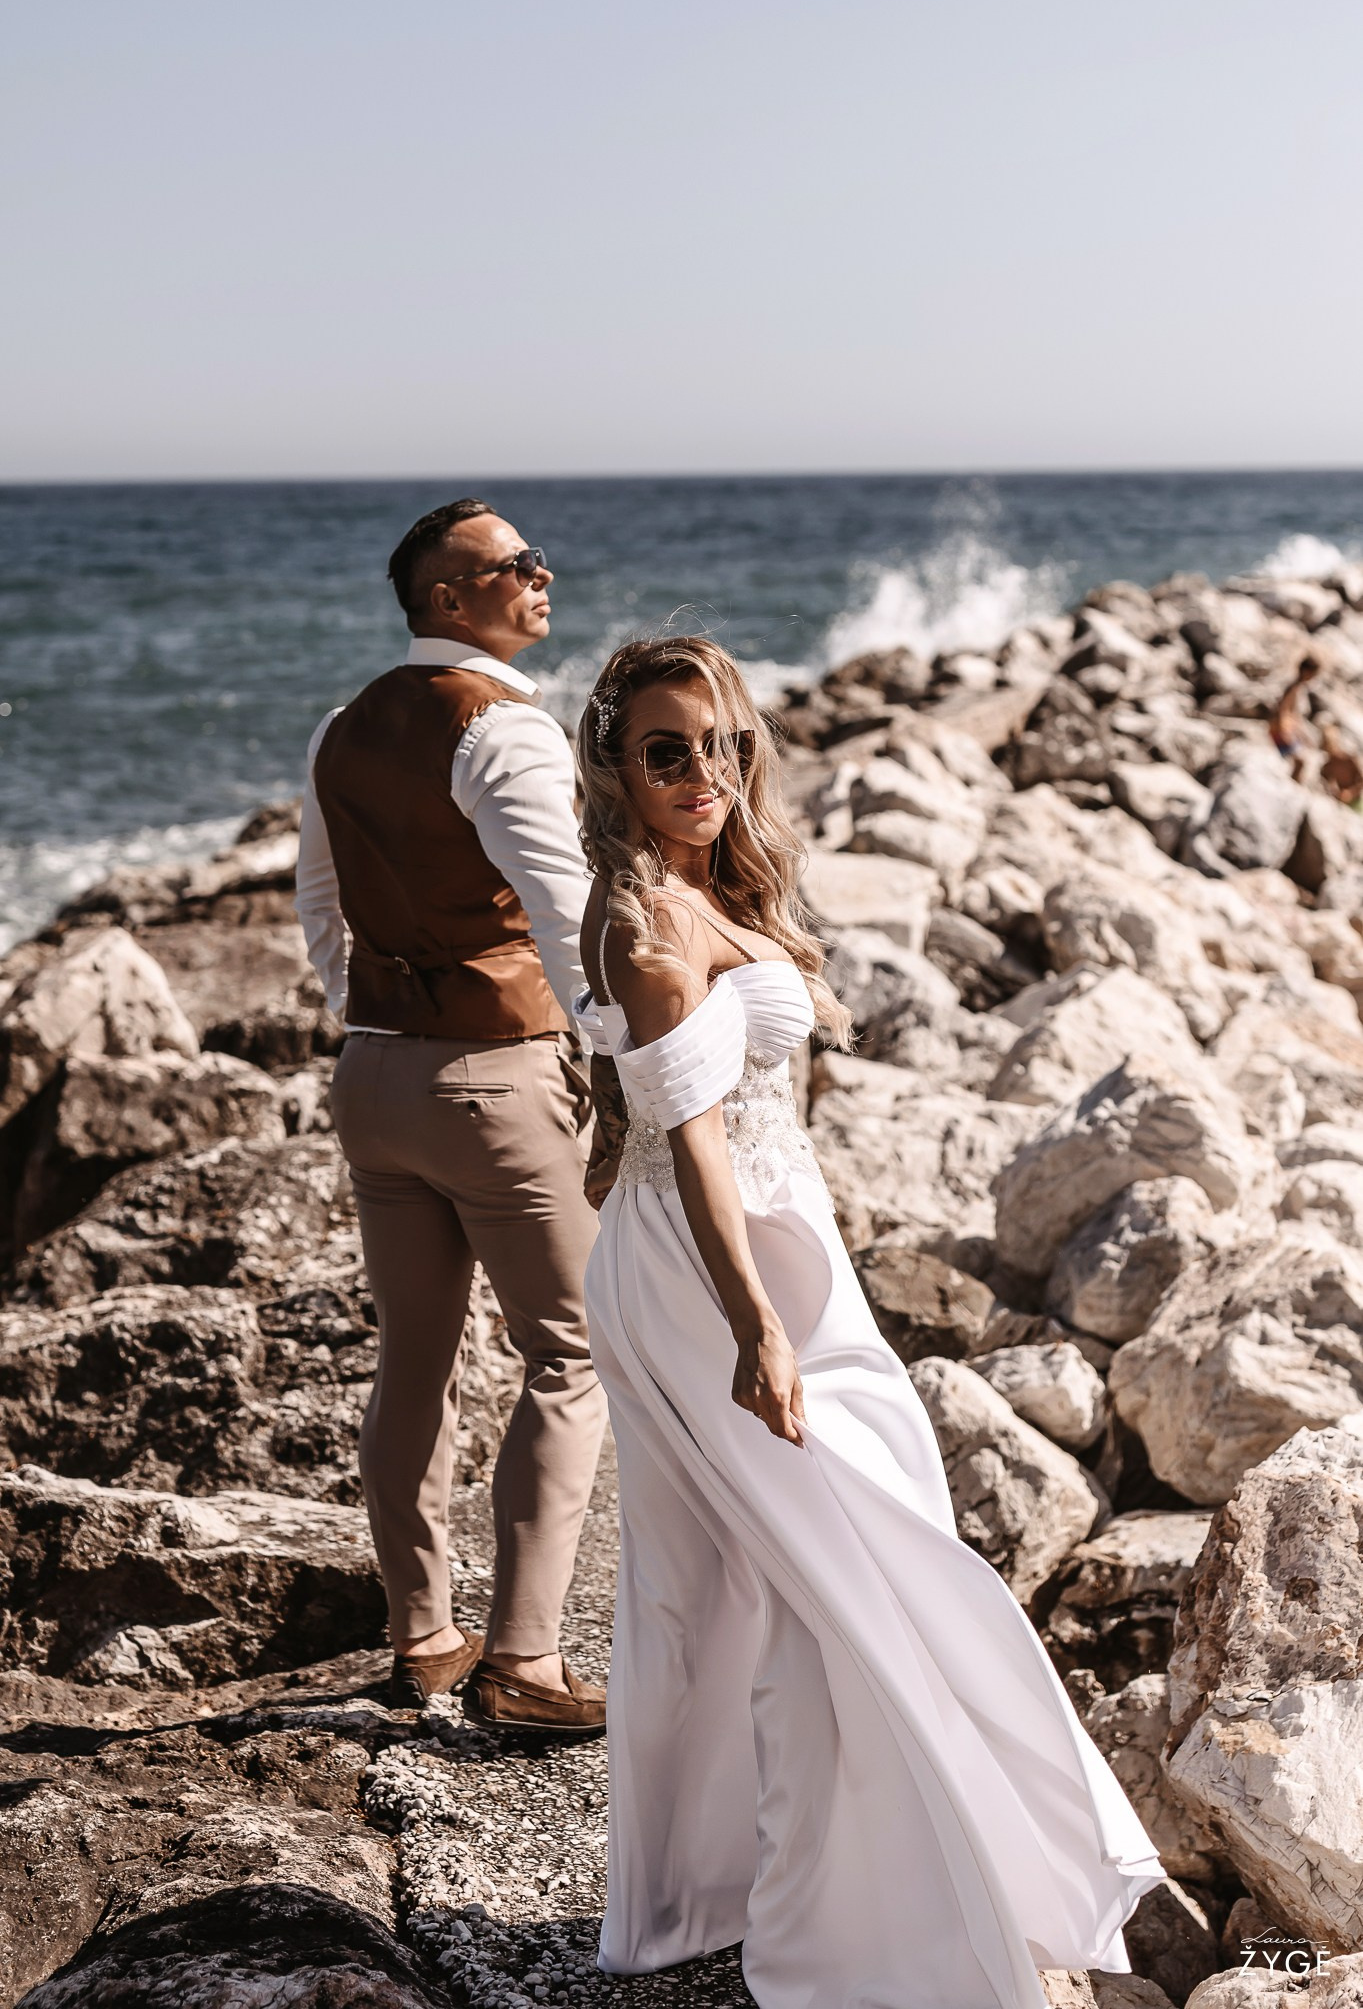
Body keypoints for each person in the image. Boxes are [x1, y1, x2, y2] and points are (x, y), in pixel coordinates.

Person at [572, 635, 1166, 2009]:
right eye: (666, 751)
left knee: (797, 1562)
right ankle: (843, 1918)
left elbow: (746, 1084)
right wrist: (753, 1331)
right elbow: (695, 1145)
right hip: (701, 1274)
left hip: (787, 1244)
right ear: (613, 762)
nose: (702, 772)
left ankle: (731, 1890)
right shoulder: (644, 919)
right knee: (815, 1564)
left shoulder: (714, 884)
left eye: (719, 742)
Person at [295, 497, 608, 1728]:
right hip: (496, 1081)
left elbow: (325, 909)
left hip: (374, 1078)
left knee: (414, 1362)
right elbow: (564, 910)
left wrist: (376, 1013)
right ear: (445, 598)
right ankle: (526, 1664)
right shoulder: (505, 728)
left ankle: (424, 1637)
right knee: (567, 1356)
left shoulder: (340, 725)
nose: (542, 574)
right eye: (511, 566)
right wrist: (616, 1049)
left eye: (535, 557)